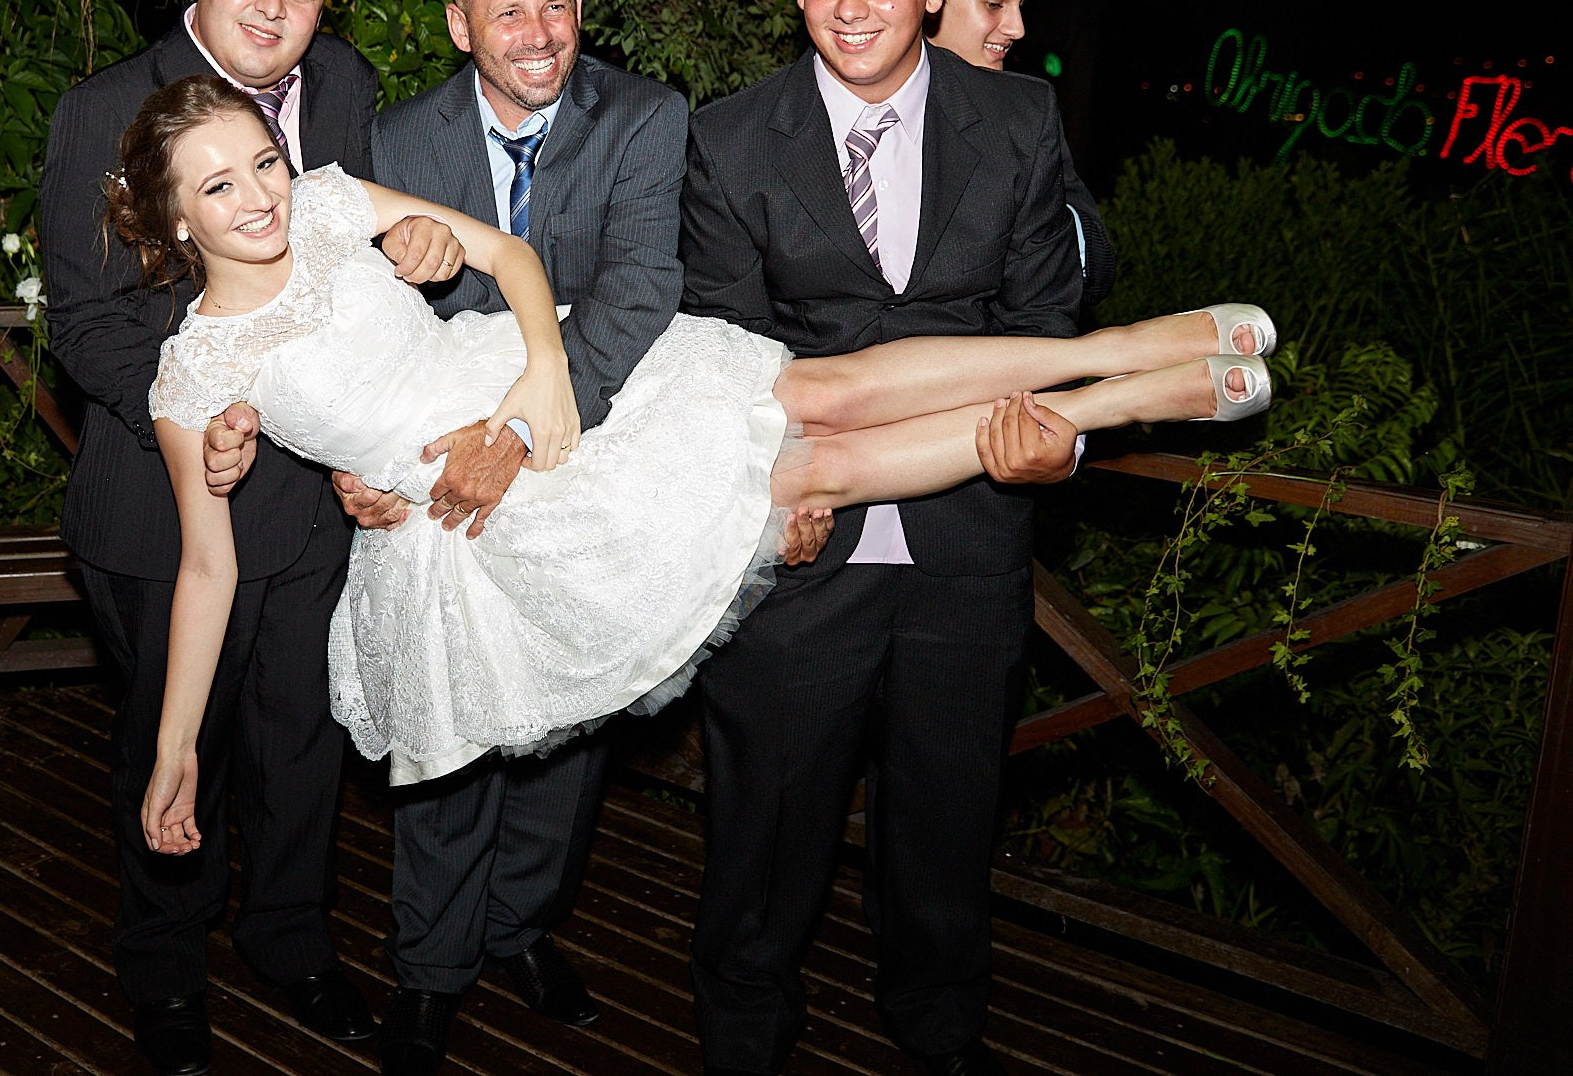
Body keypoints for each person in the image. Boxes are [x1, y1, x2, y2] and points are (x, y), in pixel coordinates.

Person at [117, 78, 1274, 1076]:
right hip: (485, 514)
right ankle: (1120, 406)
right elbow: (207, 568)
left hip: (527, 388)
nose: (258, 194)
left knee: (820, 389)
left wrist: (542, 379)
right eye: (219, 184)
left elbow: (510, 255)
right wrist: (176, 750)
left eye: (261, 160)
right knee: (816, 469)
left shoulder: (327, 203)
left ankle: (1115, 348)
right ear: (174, 218)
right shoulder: (195, 371)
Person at [204, 0, 693, 1076]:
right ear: (459, 26)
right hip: (433, 468)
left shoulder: (646, 118)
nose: (538, 33)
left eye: (556, 5)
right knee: (448, 711)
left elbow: (638, 292)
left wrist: (520, 432)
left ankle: (518, 927)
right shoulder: (398, 135)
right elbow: (354, 323)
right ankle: (429, 969)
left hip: (581, 443)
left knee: (569, 714)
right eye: (507, 12)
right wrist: (363, 465)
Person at [676, 0, 1113, 1076]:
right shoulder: (728, 138)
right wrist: (766, 495)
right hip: (797, 550)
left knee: (945, 824)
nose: (851, 6)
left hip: (967, 542)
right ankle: (741, 1035)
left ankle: (938, 1032)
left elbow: (1046, 329)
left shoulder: (1016, 122)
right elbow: (720, 355)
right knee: (764, 828)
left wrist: (1055, 444)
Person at [40, 0, 457, 1076]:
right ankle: (165, 972)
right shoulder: (104, 110)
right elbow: (89, 325)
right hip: (165, 504)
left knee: (300, 741)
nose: (275, 8)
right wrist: (208, 412)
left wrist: (411, 245)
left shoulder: (345, 88)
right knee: (178, 741)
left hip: (317, 504)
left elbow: (341, 266)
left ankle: (289, 940)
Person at [929, 0, 1115, 308]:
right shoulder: (861, 104)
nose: (1017, 28)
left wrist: (1031, 215)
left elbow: (1096, 266)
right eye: (995, 3)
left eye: (1020, 4)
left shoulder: (1026, 114)